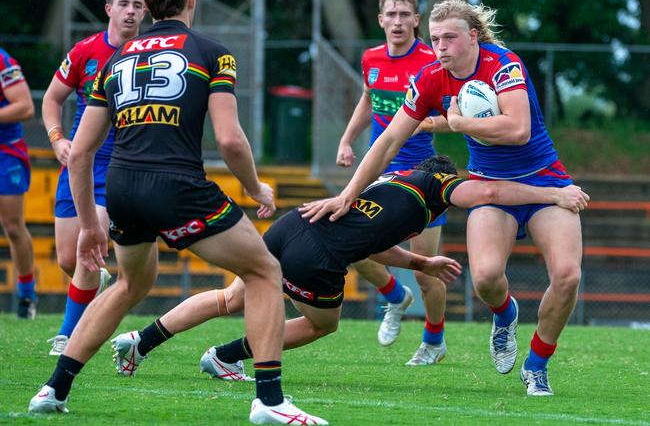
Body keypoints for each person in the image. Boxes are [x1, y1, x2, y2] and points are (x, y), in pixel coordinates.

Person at [28, 0, 327, 425]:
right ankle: (270, 402)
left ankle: (53, 388)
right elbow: (229, 139)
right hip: (177, 187)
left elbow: (80, 153)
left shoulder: (114, 60)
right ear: (192, 0)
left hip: (122, 189)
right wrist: (255, 188)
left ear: (146, 5)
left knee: (131, 284)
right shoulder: (212, 53)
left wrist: (90, 225)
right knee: (265, 271)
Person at [301, 0, 586, 397]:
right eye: (435, 39)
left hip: (547, 184)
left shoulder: (503, 65)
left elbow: (519, 129)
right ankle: (505, 315)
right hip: (489, 187)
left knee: (568, 276)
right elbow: (387, 142)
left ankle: (537, 365)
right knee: (485, 278)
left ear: (472, 36)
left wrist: (458, 122)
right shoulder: (430, 77)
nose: (440, 47)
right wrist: (348, 195)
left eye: (449, 38)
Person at [109, 155, 587, 384]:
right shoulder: (437, 186)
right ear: (443, 178)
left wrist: (419, 260)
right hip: (315, 256)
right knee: (324, 324)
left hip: (293, 224)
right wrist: (551, 193)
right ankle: (226, 356)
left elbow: (370, 243)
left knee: (230, 297)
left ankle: (141, 342)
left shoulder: (391, 183)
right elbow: (486, 194)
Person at [337, 0, 452, 365]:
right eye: (392, 14)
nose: (398, 22)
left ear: (416, 20)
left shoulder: (432, 60)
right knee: (350, 245)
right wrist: (347, 139)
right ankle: (392, 296)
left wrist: (434, 121)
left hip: (422, 178)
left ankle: (434, 340)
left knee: (425, 270)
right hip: (379, 170)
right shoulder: (371, 58)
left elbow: (457, 108)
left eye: (405, 15)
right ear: (381, 19)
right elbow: (369, 99)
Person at [42, 0, 146, 355]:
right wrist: (57, 139)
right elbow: (52, 98)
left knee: (92, 243)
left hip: (120, 163)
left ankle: (68, 335)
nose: (131, 11)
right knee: (68, 259)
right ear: (109, 8)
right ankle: (94, 285)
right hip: (79, 163)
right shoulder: (85, 51)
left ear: (146, 11)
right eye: (124, 3)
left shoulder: (147, 54)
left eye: (138, 4)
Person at [0, 48, 36, 318]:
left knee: (13, 226)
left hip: (6, 152)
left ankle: (26, 297)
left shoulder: (3, 61)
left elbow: (25, 106)